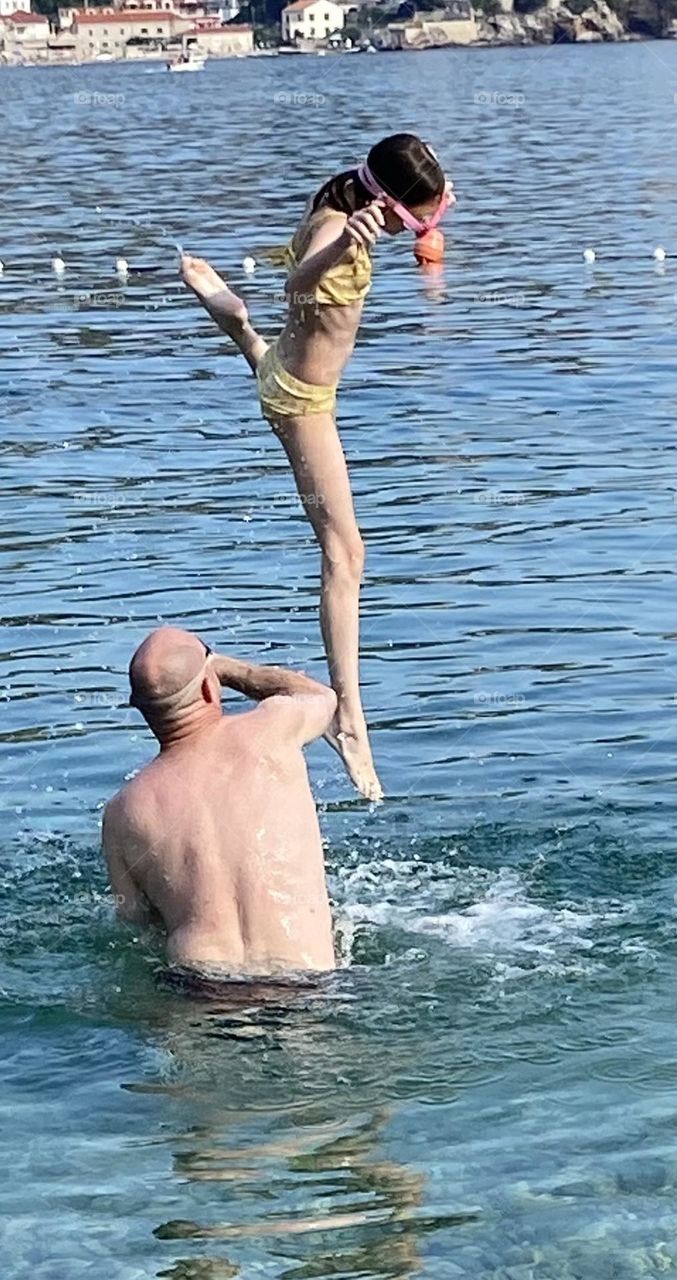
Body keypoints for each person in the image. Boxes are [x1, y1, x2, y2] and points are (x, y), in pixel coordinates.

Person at [179, 134, 454, 804]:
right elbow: (296, 279)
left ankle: (231, 318)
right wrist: (339, 246)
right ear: (383, 201)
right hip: (302, 402)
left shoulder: (356, 200)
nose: (416, 231)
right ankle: (350, 722)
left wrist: (427, 214)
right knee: (345, 554)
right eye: (412, 219)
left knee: (267, 353)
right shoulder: (339, 225)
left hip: (292, 372)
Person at [102, 626, 343, 986]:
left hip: (200, 989)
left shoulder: (123, 812)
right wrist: (232, 670)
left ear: (141, 709)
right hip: (304, 980)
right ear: (208, 686)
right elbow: (321, 696)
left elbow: (136, 921)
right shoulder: (271, 729)